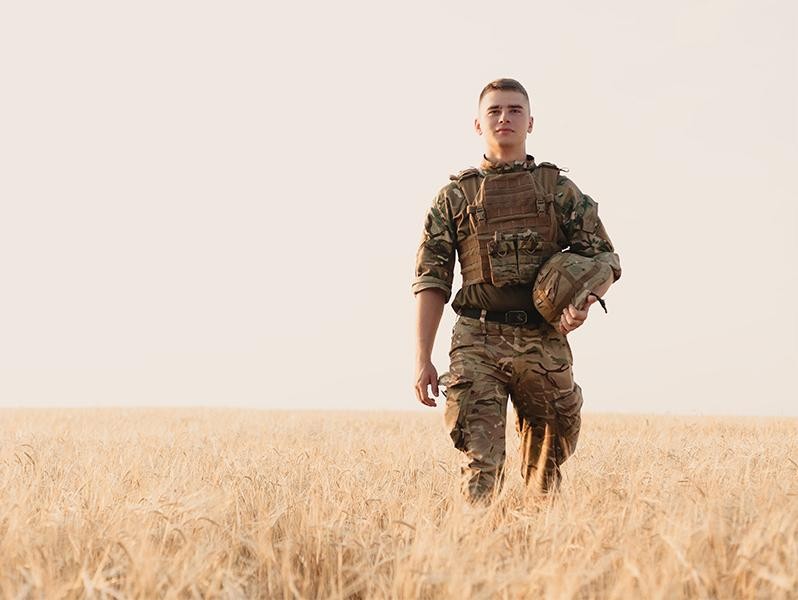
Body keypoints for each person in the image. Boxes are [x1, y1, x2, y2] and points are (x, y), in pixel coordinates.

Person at [412, 78, 622, 503]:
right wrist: (422, 357)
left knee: (545, 470)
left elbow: (605, 259)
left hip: (543, 340)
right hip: (477, 339)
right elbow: (432, 279)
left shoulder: (558, 192)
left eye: (514, 110)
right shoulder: (453, 198)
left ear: (530, 122)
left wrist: (581, 304)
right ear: (478, 124)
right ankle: (475, 559)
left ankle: (538, 561)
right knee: (479, 468)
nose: (504, 118)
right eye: (494, 111)